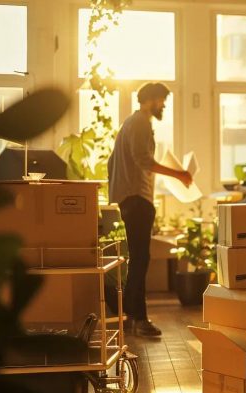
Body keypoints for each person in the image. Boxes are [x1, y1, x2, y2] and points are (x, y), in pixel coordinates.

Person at [108, 82, 192, 337]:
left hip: (128, 197)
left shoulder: (129, 124)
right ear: (151, 99)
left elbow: (113, 162)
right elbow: (142, 159)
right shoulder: (141, 123)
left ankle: (134, 317)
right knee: (140, 259)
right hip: (137, 198)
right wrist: (178, 174)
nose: (164, 104)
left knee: (139, 258)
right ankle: (138, 319)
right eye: (162, 99)